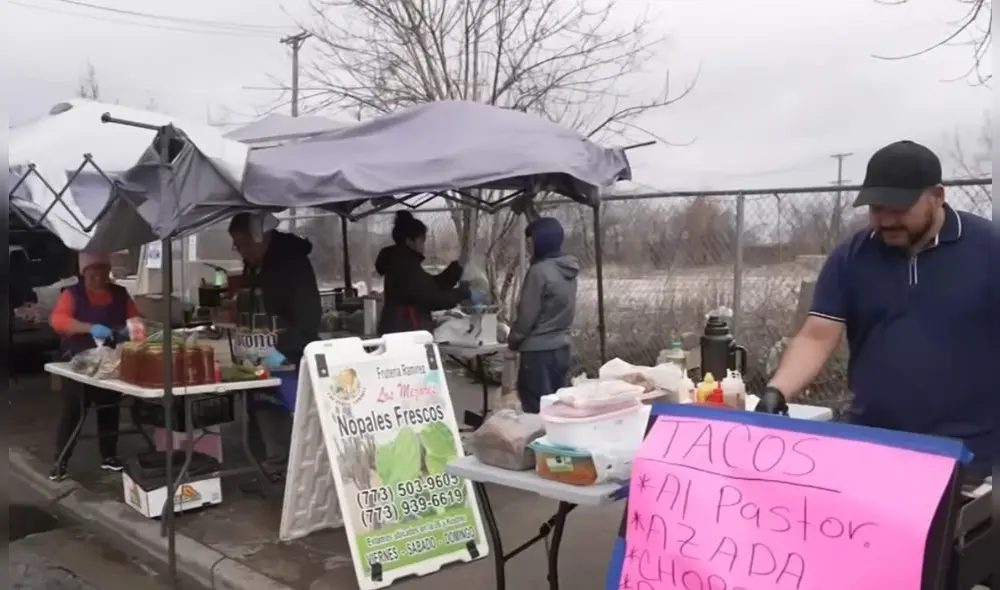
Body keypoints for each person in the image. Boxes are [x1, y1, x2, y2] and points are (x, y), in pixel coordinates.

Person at [757, 140, 999, 477]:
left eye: (898, 208)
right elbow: (817, 336)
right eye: (876, 208)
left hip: (973, 454)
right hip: (875, 445)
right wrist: (777, 390)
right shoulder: (851, 257)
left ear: (938, 195)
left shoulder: (989, 248)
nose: (884, 220)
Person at [228, 212, 322, 476]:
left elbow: (308, 316)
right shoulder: (257, 264)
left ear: (261, 237)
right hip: (262, 350)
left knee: (294, 413)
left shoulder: (291, 263)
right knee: (263, 406)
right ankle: (276, 463)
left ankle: (305, 471)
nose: (240, 252)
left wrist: (281, 349)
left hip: (290, 353)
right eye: (237, 245)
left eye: (243, 244)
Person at [49, 252, 142, 480]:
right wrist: (90, 328)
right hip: (80, 362)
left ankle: (109, 456)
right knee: (74, 411)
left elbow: (135, 318)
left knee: (109, 408)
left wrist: (135, 329)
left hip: (111, 361)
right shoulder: (73, 294)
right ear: (84, 272)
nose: (99, 276)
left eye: (103, 270)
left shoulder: (120, 294)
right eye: (93, 271)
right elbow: (58, 321)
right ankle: (61, 460)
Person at [507, 217, 580, 413]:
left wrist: (512, 342)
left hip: (537, 353)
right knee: (558, 408)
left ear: (542, 241)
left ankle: (534, 443)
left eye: (531, 242)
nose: (529, 248)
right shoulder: (569, 270)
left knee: (536, 409)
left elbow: (526, 317)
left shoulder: (539, 271)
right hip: (561, 348)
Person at [375, 211, 475, 334]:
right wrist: (461, 294)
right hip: (405, 331)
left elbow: (430, 285)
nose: (424, 245)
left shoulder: (401, 262)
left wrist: (456, 269)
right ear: (409, 241)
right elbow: (432, 297)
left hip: (400, 328)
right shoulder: (404, 266)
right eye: (422, 240)